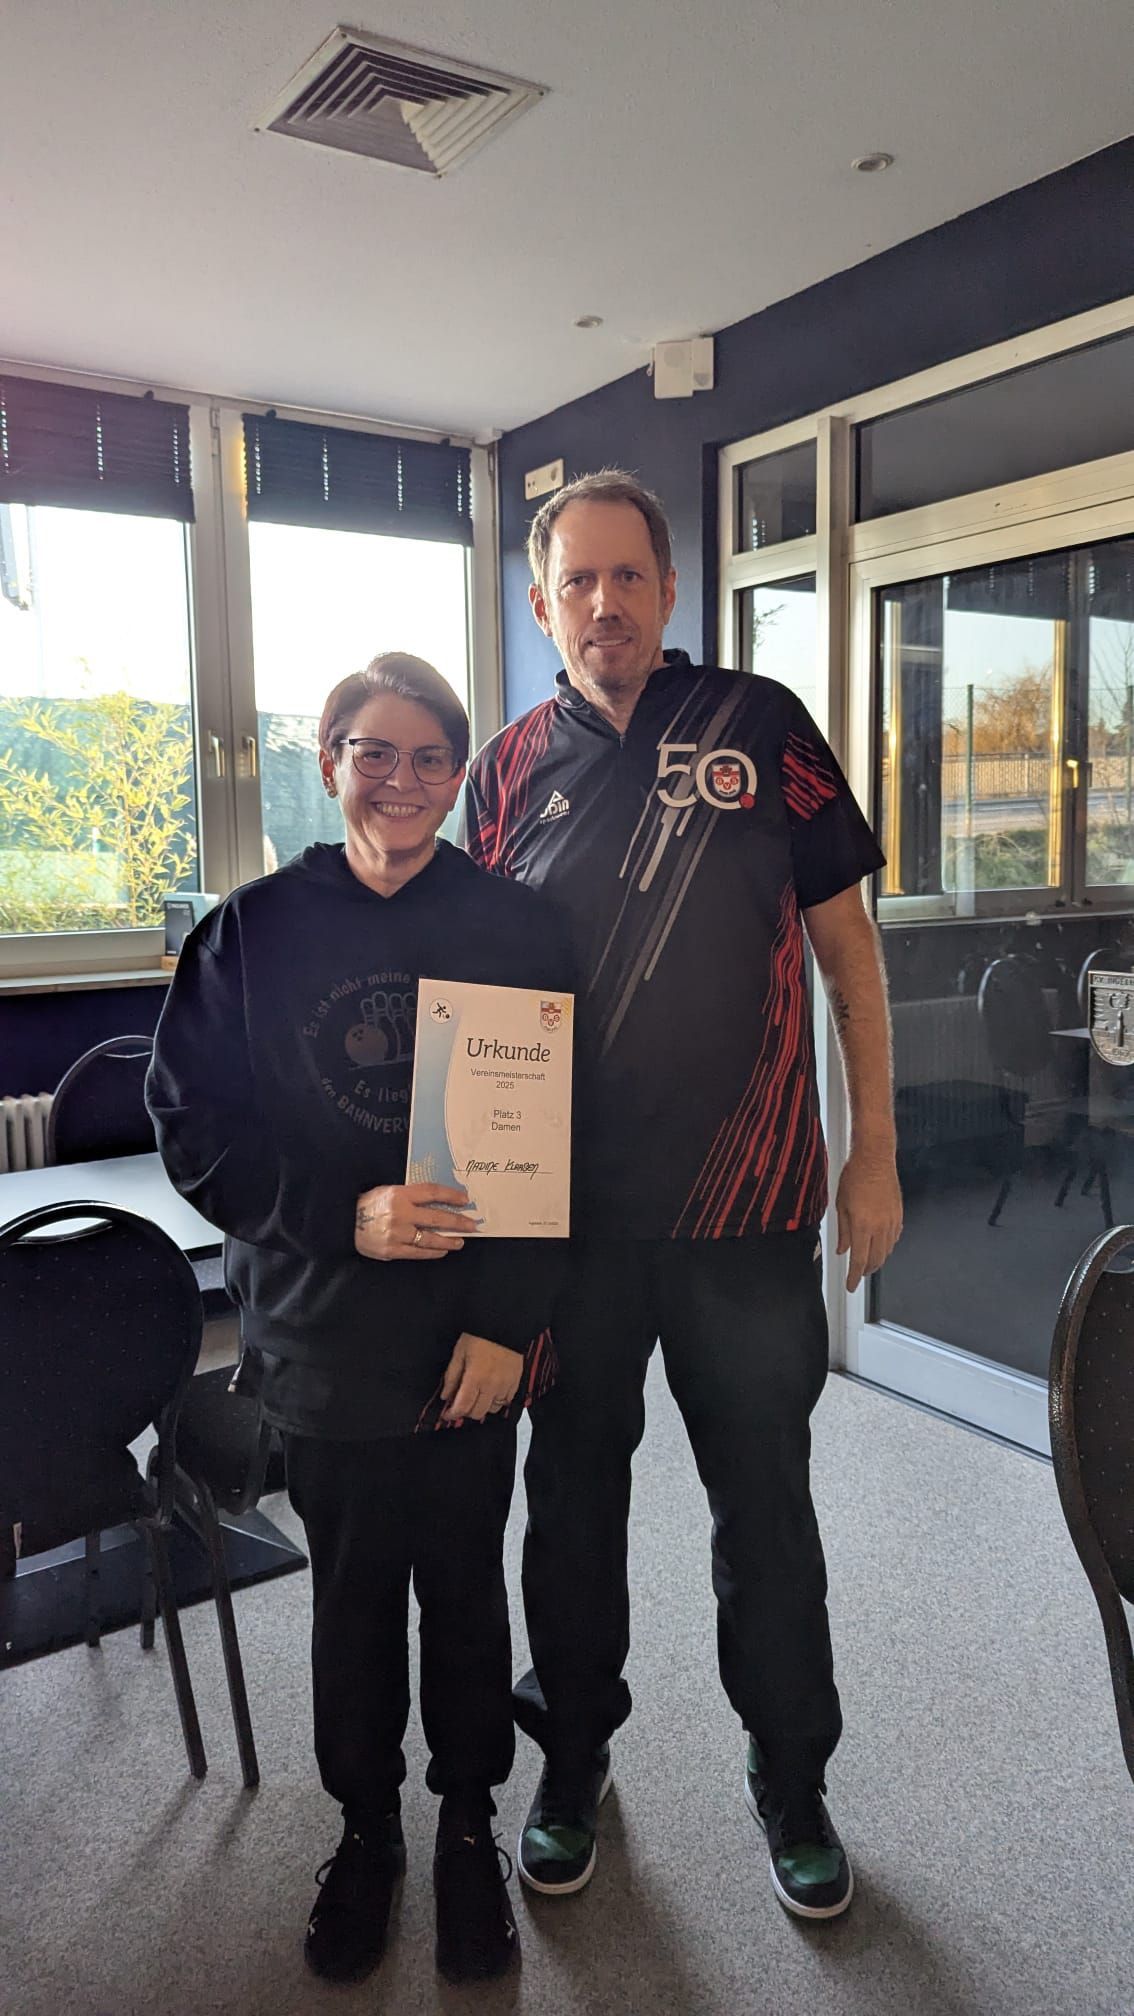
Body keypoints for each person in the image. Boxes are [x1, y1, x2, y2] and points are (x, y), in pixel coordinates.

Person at [462, 471, 902, 1921]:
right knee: (571, 1506)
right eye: (577, 582)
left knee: (765, 1508)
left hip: (749, 1214)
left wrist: (874, 1153)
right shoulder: (503, 775)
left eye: (630, 576)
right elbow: (479, 1012)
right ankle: (571, 1758)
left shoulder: (759, 727)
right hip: (572, 1231)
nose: (606, 604)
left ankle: (793, 1778)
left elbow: (848, 957)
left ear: (668, 590)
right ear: (542, 606)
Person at [147, 653, 572, 1987]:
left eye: (429, 757)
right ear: (328, 759)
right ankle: (367, 1830)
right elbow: (194, 1133)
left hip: (468, 1337)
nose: (400, 780)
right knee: (353, 1599)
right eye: (372, 752)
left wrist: (509, 1323)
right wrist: (347, 1215)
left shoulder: (513, 927)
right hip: (322, 1329)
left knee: (464, 1589)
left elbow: (561, 1139)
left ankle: (466, 1825)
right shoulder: (251, 932)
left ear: (458, 776)